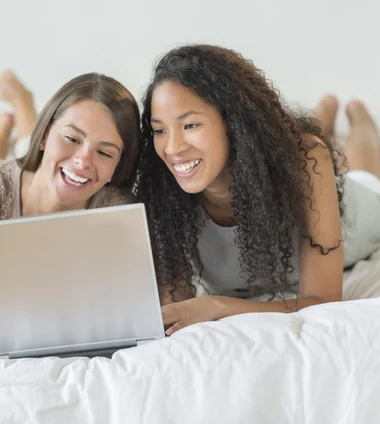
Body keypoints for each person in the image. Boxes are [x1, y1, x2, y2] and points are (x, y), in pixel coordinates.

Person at [133, 44, 380, 335]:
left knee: (362, 173)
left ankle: (358, 115)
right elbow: (172, 313)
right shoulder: (161, 189)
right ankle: (323, 111)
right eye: (160, 130)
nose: (172, 148)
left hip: (357, 219)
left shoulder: (307, 160)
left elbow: (324, 300)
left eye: (190, 125)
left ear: (233, 123)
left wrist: (218, 307)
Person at [0, 71, 141, 348]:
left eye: (104, 153)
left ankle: (23, 117)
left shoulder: (116, 212)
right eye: (72, 138)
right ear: (43, 135)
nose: (83, 161)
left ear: (117, 167)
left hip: (43, 167)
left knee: (53, 165)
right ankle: (7, 120)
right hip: (2, 179)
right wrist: (12, 306)